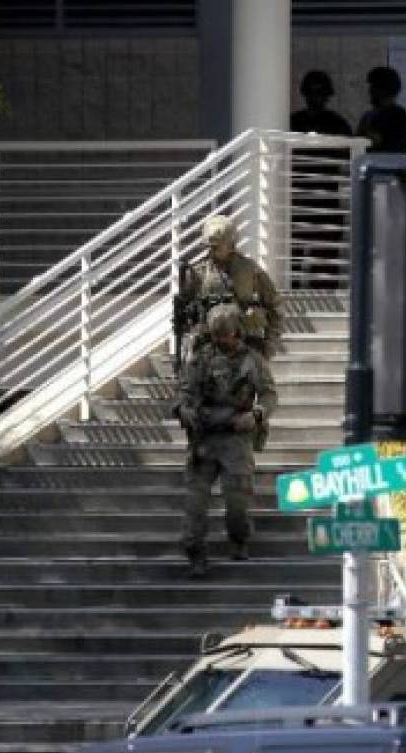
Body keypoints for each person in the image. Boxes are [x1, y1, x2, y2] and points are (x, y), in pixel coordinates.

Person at [177, 303, 277, 576]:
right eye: (216, 335)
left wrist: (256, 415)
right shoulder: (201, 359)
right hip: (205, 438)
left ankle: (239, 539)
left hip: (236, 437)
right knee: (195, 503)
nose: (221, 340)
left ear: (237, 333)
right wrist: (185, 410)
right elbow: (185, 391)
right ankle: (195, 554)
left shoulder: (253, 361)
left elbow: (269, 395)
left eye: (226, 335)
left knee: (237, 503)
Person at [173, 214, 284, 364]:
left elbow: (275, 305)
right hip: (208, 347)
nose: (212, 251)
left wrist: (270, 344)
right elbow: (185, 313)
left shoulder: (249, 269)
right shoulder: (198, 272)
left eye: (217, 247)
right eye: (209, 247)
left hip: (245, 346)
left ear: (231, 244)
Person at [357, 66, 406, 153]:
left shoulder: (398, 116)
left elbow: (396, 146)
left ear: (384, 90)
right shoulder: (369, 116)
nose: (370, 91)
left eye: (374, 86)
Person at [290, 70, 353, 137]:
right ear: (305, 94)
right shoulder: (294, 121)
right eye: (310, 92)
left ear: (326, 96)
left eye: (319, 93)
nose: (314, 97)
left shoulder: (338, 124)